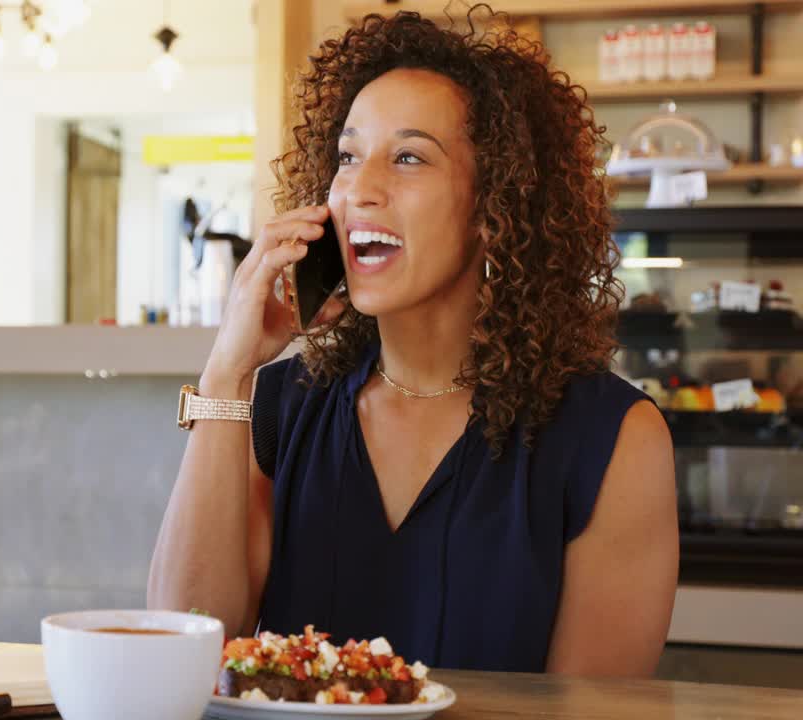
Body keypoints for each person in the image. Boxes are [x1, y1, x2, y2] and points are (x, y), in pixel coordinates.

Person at [147, 7, 678, 677]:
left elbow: (593, 710)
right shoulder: (280, 408)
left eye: (408, 157)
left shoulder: (610, 439)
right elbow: (182, 645)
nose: (360, 189)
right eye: (347, 157)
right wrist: (228, 372)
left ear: (495, 207)